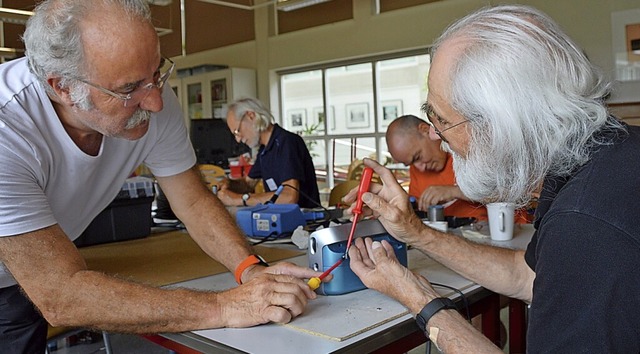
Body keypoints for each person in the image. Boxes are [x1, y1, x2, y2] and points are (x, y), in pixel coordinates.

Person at [0, 1, 323, 352]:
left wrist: (250, 269)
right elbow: (60, 293)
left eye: (156, 74)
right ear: (63, 87)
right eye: (129, 89)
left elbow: (193, 199)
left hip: (22, 283)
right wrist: (223, 306)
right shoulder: (9, 129)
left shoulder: (150, 94)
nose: (155, 102)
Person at [345, 5, 640, 353]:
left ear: (501, 126)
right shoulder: (613, 150)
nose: (437, 136)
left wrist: (418, 298)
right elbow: (526, 275)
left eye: (442, 119)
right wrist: (416, 232)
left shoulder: (584, 226)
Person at [217, 97, 321, 208]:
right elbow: (248, 184)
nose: (238, 139)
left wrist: (238, 199)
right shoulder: (264, 150)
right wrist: (229, 184)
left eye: (237, 131)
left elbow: (289, 197)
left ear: (251, 116)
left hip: (305, 221)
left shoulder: (286, 142)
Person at [386, 114, 487, 221]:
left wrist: (456, 192)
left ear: (425, 130)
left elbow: (502, 194)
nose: (420, 168)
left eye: (418, 157)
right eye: (410, 164)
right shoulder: (417, 168)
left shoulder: (468, 151)